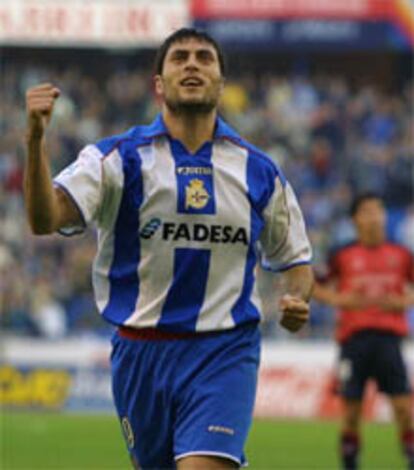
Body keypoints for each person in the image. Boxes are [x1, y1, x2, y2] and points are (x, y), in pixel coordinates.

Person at [25, 28, 313, 469]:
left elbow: (296, 259)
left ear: (221, 81)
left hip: (224, 350)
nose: (193, 64)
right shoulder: (117, 159)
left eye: (204, 58)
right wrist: (35, 141)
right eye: (179, 57)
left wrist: (297, 298)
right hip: (140, 354)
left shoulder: (259, 171)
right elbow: (45, 219)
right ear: (159, 83)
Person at [313, 193, 414, 470]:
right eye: (368, 211)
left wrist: (404, 301)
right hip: (353, 341)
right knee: (351, 414)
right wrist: (338, 299)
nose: (375, 217)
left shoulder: (401, 254)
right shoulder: (341, 254)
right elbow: (312, 284)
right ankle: (350, 465)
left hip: (389, 340)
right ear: (355, 219)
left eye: (379, 211)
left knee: (405, 410)